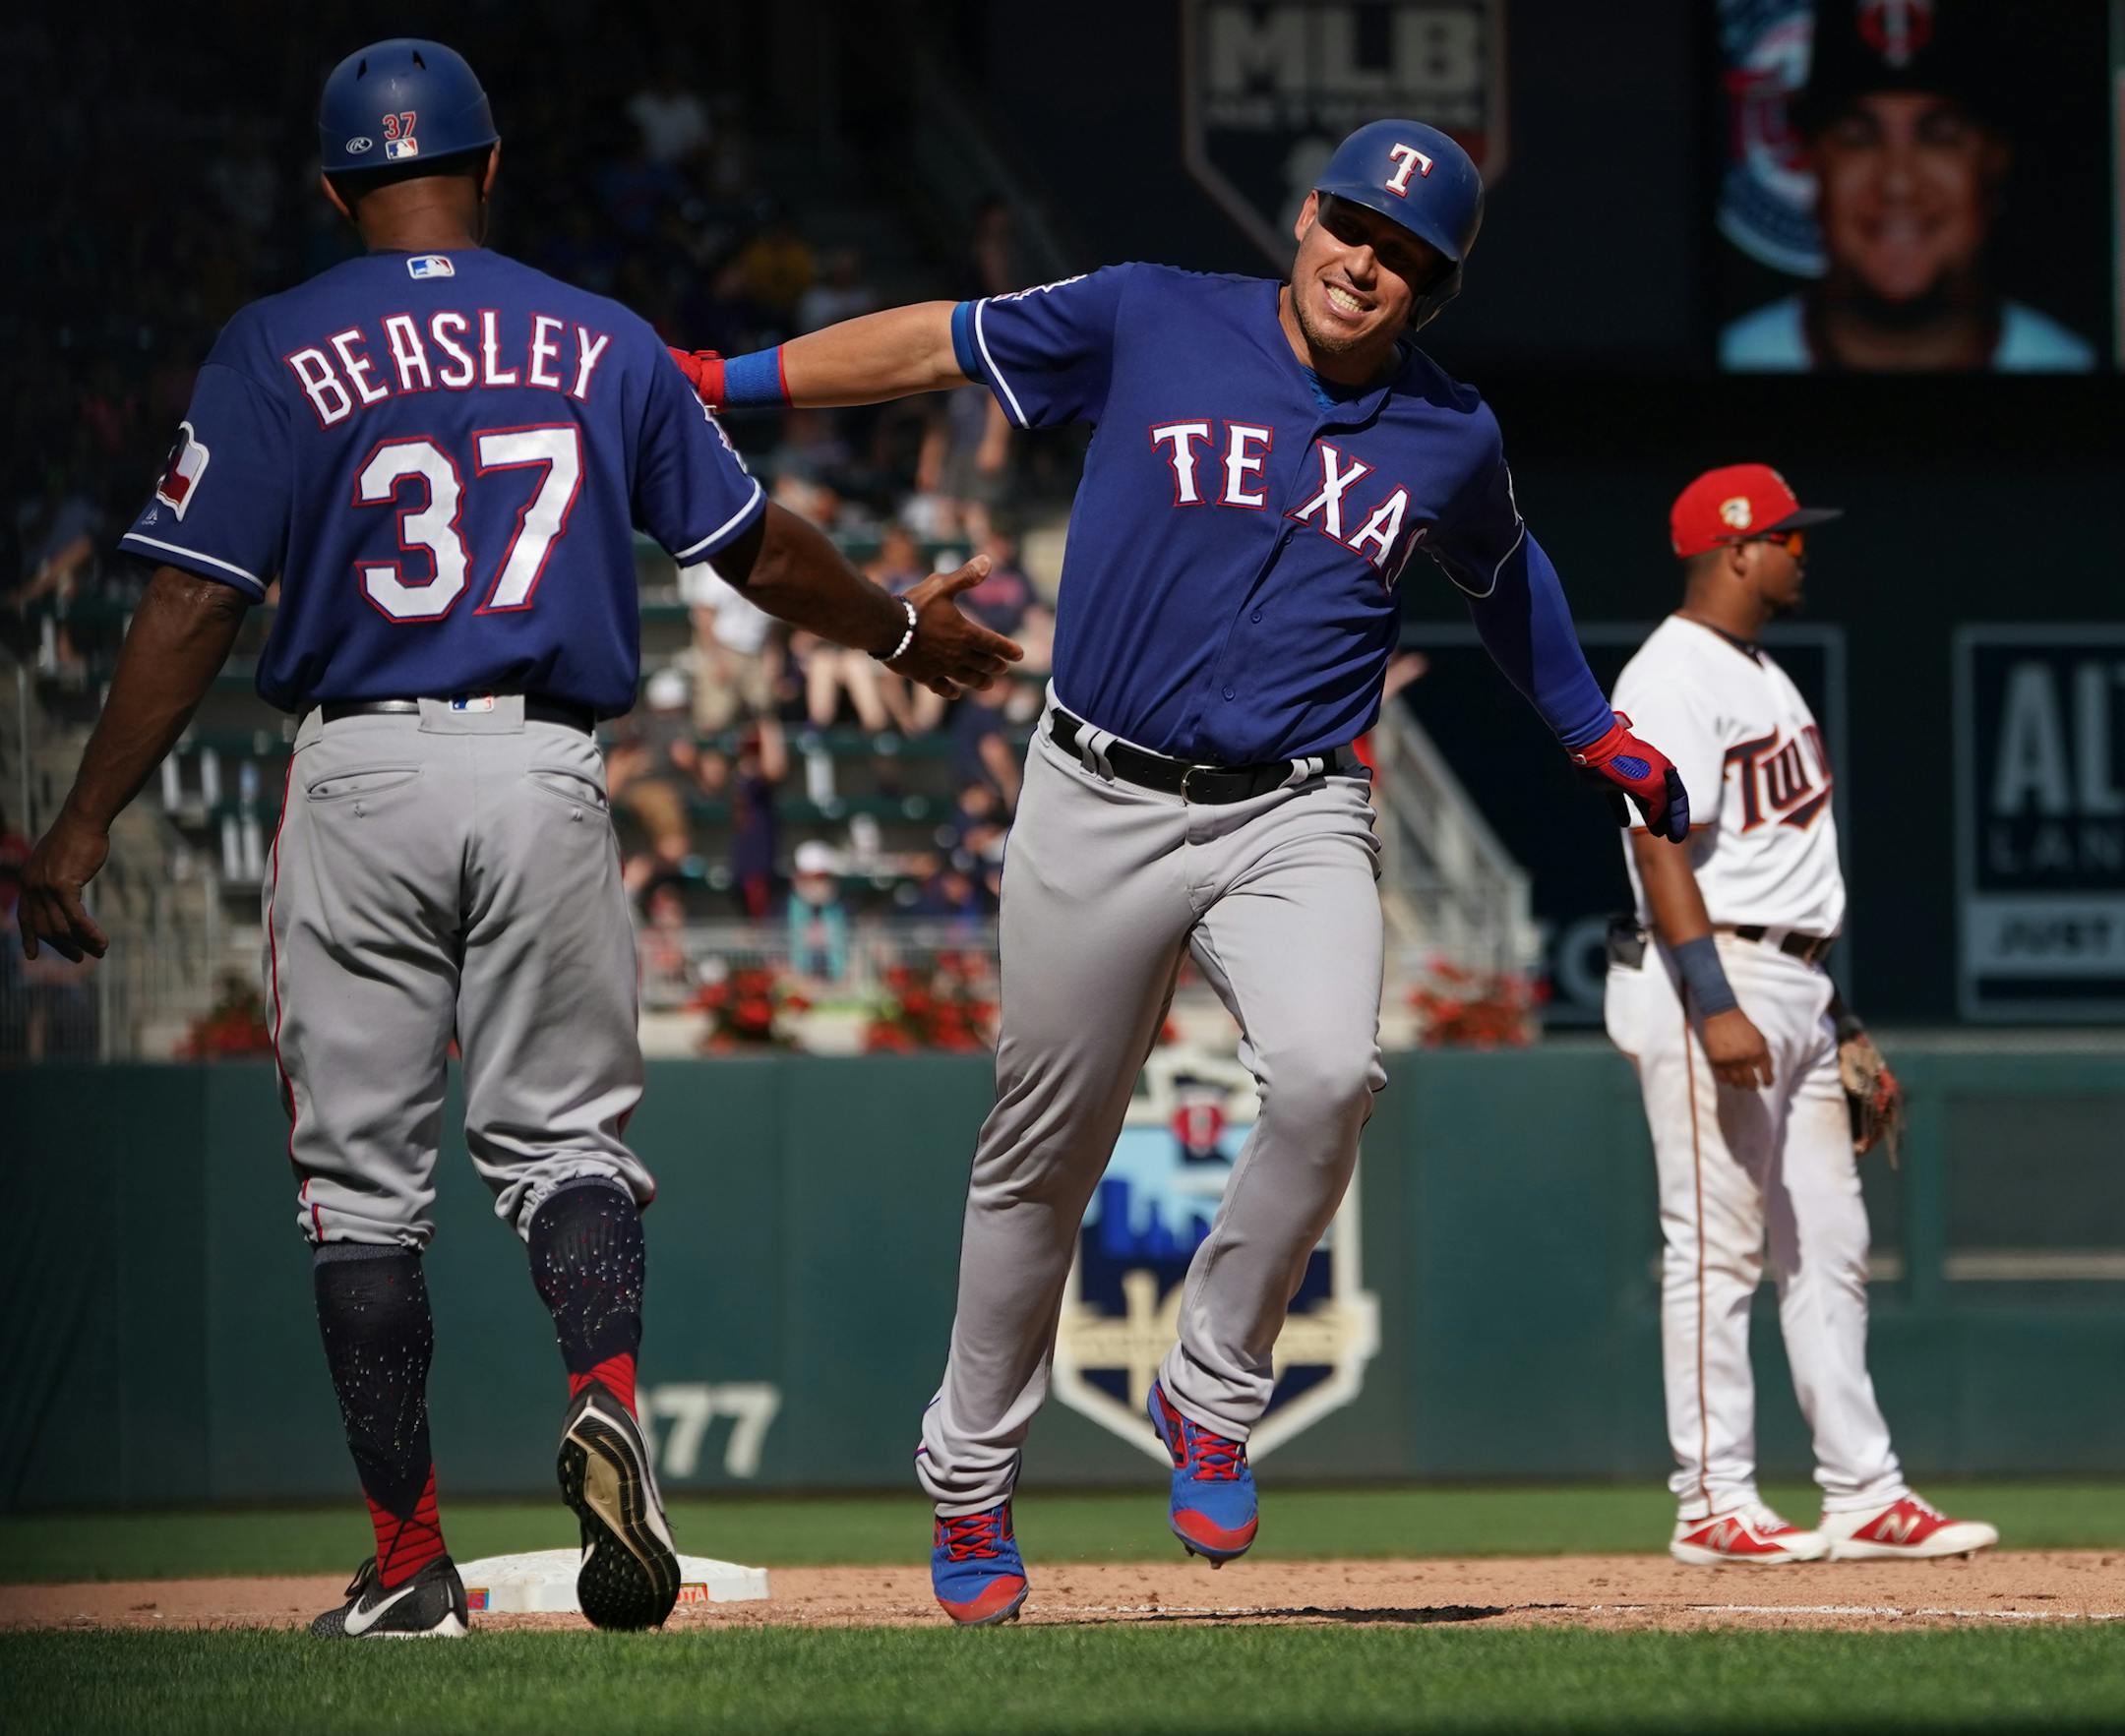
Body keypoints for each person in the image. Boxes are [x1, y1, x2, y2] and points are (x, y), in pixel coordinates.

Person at [13, 37, 1018, 1641]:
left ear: (338, 187)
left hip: (356, 774)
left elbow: (197, 594)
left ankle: (410, 1566)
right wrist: (901, 634)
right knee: (569, 1150)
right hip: (544, 768)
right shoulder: (597, 338)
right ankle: (609, 1399)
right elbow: (752, 550)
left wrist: (79, 822)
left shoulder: (276, 343)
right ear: (487, 171)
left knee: (360, 1194)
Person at [672, 121, 1691, 1624]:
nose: (1369, 263)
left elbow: (1502, 569)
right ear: (1304, 217)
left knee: (1333, 1071)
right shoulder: (1153, 311)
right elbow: (938, 345)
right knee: (1041, 1154)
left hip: (1294, 811)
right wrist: (732, 384)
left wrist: (1588, 724)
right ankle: (967, 1481)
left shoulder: (1448, 434)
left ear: (1434, 290)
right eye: (1355, 226)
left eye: (1408, 256)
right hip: (1095, 790)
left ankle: (1212, 1383)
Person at [1604, 463, 1996, 1566]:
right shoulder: (1673, 672)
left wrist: (1841, 1014)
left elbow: (1784, 870)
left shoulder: (1760, 673)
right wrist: (1715, 1001)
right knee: (1716, 1245)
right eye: (1786, 536)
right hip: (1707, 974)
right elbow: (1656, 837)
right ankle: (1712, 1498)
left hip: (1797, 984)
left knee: (1828, 1240)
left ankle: (1864, 1488)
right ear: (1736, 549)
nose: (1800, 552)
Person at [1721, 3, 2094, 373]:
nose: (1898, 184)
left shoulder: (2076, 370)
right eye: (1858, 138)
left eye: (1940, 137)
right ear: (1813, 159)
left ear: (1995, 159)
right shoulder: (1729, 360)